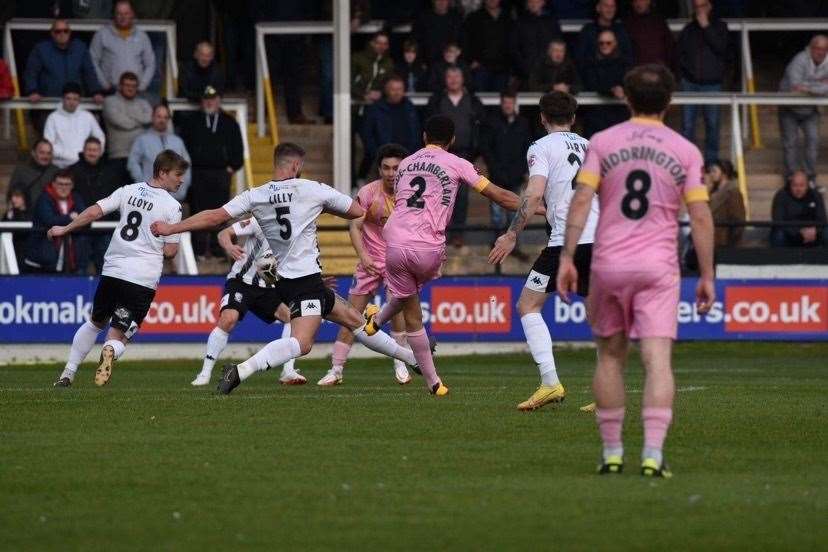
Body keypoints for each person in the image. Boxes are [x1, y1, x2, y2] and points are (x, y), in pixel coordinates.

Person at [150, 143, 423, 395]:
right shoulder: (311, 189)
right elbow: (355, 211)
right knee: (302, 344)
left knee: (357, 321)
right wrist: (322, 207)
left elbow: (215, 217)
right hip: (304, 280)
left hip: (288, 280)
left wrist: (172, 228)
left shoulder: (255, 195)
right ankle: (241, 370)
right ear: (295, 166)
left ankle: (414, 359)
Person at [557, 64, 715, 477]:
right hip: (657, 267)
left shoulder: (604, 142)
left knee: (610, 358)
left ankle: (611, 452)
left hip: (609, 263)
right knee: (657, 360)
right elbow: (700, 216)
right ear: (671, 100)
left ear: (626, 98)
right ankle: (652, 454)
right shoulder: (685, 150)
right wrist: (708, 275)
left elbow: (580, 200)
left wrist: (568, 257)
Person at [362, 115, 535, 395]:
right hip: (429, 249)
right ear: (453, 140)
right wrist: (537, 207)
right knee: (411, 301)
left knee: (410, 307)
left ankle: (383, 327)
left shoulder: (406, 164)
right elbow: (500, 196)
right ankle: (432, 381)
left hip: (394, 242)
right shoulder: (458, 164)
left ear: (423, 136)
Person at [489, 90, 598, 410]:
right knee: (598, 317)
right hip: (601, 238)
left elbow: (534, 193)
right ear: (574, 118)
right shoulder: (592, 146)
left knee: (528, 305)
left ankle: (550, 383)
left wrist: (511, 236)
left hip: (567, 239)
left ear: (542, 118)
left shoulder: (540, 147)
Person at [49, 150, 189, 388]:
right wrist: (165, 234)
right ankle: (110, 349)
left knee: (95, 322)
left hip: (113, 269)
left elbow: (95, 211)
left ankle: (68, 373)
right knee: (120, 335)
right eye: (178, 174)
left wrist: (65, 228)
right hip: (142, 278)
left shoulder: (128, 191)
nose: (181, 180)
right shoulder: (172, 206)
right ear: (163, 172)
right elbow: (170, 252)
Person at [319, 144, 415, 387]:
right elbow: (355, 225)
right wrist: (363, 256)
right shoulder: (368, 192)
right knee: (349, 314)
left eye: (396, 168)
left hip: (397, 263)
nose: (391, 173)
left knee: (398, 312)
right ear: (379, 168)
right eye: (386, 168)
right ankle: (336, 369)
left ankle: (400, 362)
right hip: (370, 262)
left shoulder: (412, 194)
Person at [190, 218, 306, 387]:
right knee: (228, 319)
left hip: (267, 287)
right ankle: (205, 373)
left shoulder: (296, 231)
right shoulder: (259, 220)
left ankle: (287, 371)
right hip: (241, 282)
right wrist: (229, 247)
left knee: (292, 317)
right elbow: (224, 233)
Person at [178, 85, 244, 258]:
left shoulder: (229, 122)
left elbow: (238, 149)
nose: (209, 102)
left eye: (213, 99)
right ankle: (198, 250)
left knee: (222, 213)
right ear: (201, 101)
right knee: (197, 211)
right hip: (197, 173)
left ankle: (219, 249)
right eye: (206, 99)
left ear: (219, 100)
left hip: (221, 173)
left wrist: (231, 167)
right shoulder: (191, 122)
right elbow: (183, 148)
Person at [426, 67, 486, 247]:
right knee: (438, 194)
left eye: (456, 76)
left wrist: (476, 151)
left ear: (463, 79)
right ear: (445, 79)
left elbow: (481, 129)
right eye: (449, 76)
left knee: (461, 196)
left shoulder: (474, 101)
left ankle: (458, 233)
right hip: (439, 153)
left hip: (464, 154)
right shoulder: (436, 101)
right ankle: (439, 232)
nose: (453, 80)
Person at [677, 0, 729, 163]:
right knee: (687, 125)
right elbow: (680, 54)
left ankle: (711, 163)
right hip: (690, 82)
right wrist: (684, 75)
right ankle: (687, 162)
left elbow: (722, 49)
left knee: (712, 124)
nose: (699, 9)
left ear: (710, 6)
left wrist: (706, 27)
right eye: (696, 6)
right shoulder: (688, 29)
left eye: (703, 5)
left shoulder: (721, 27)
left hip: (712, 83)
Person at [481, 91, 532, 255]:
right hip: (497, 177)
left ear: (515, 103)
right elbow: (486, 150)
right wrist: (494, 170)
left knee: (515, 214)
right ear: (501, 104)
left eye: (510, 102)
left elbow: (528, 150)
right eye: (505, 102)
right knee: (496, 215)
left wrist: (523, 171)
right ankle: (496, 244)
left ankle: (514, 247)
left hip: (516, 177)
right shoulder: (492, 123)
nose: (508, 105)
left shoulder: (523, 123)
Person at [778, 35, 828, 185]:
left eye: (825, 49)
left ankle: (809, 177)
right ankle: (791, 178)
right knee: (790, 144)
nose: (821, 52)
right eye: (818, 48)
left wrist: (807, 87)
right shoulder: (799, 60)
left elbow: (802, 87)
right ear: (810, 48)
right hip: (789, 108)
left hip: (810, 109)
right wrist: (821, 85)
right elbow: (795, 86)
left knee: (813, 141)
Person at [69, 137, 123, 273]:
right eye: (89, 150)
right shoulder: (73, 170)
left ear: (100, 152)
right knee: (79, 268)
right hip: (82, 228)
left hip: (104, 228)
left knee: (106, 269)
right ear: (83, 151)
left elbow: (116, 196)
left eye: (95, 150)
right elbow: (70, 197)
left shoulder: (110, 171)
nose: (92, 153)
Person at [22, 19, 103, 105]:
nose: (62, 34)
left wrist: (96, 92)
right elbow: (31, 73)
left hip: (75, 103)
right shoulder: (41, 49)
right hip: (48, 103)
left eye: (66, 31)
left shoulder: (80, 48)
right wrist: (32, 91)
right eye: (58, 31)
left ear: (70, 33)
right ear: (52, 33)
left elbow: (89, 72)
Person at [23, 170, 88, 274]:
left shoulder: (76, 197)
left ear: (72, 185)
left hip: (72, 254)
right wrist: (71, 217)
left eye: (67, 184)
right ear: (53, 184)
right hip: (44, 257)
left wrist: (74, 219)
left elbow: (85, 217)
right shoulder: (44, 198)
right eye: (60, 184)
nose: (63, 187)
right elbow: (49, 220)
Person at [89, 0, 156, 95]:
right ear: (114, 15)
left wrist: (142, 86)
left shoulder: (142, 36)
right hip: (111, 92)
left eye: (126, 13)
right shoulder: (102, 34)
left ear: (132, 14)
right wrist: (104, 84)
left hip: (136, 94)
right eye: (119, 14)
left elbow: (150, 64)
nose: (123, 17)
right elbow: (92, 61)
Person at [128, 104, 192, 201]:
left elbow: (187, 165)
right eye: (159, 116)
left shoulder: (177, 141)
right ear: (152, 117)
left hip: (174, 197)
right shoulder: (142, 140)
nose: (162, 120)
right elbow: (132, 163)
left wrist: (182, 189)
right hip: (149, 197)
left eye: (165, 117)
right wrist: (143, 184)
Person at [360, 76, 422, 170]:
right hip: (384, 160)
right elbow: (367, 134)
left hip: (408, 159)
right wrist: (377, 154)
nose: (397, 92)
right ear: (386, 90)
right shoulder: (376, 109)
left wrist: (415, 154)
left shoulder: (410, 108)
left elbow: (417, 131)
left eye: (399, 89)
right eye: (393, 89)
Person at [43, 82, 106, 168]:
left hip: (84, 165)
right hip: (60, 166)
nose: (71, 102)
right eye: (68, 98)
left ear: (79, 100)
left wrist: (95, 153)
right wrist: (72, 156)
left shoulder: (87, 116)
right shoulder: (53, 117)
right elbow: (48, 144)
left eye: (75, 99)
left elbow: (100, 137)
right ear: (63, 99)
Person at [102, 72, 153, 178]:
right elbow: (123, 123)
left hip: (142, 157)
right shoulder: (110, 101)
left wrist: (129, 116)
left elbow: (150, 119)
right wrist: (141, 122)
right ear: (120, 86)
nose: (130, 89)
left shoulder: (143, 103)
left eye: (134, 86)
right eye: (127, 85)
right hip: (120, 156)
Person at [581, 30, 631, 137]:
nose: (605, 46)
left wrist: (622, 90)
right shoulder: (590, 63)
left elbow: (630, 83)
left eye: (608, 43)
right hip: (595, 117)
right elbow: (590, 84)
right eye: (601, 43)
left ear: (615, 43)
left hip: (619, 117)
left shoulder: (625, 63)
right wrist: (612, 90)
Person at [510, 0, 563, 88]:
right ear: (527, 3)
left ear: (543, 2)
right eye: (530, 1)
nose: (534, 3)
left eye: (537, 1)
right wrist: (524, 68)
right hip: (526, 74)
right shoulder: (519, 22)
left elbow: (559, 45)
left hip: (549, 72)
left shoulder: (552, 22)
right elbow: (513, 48)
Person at [463, 0, 513, 92]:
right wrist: (470, 60)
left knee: (500, 101)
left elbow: (513, 42)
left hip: (503, 67)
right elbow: (465, 41)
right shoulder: (474, 17)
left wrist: (512, 65)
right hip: (481, 67)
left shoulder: (508, 17)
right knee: (479, 99)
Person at [770, 170, 827, 247]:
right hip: (789, 233)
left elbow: (822, 218)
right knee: (779, 234)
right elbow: (778, 220)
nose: (798, 189)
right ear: (790, 185)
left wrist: (815, 230)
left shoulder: (816, 195)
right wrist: (799, 232)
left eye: (801, 185)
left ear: (807, 186)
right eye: (795, 185)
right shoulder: (781, 195)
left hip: (812, 232)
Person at [575, 0, 634, 70]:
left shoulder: (621, 30)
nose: (610, 9)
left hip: (617, 77)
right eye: (606, 6)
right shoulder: (588, 31)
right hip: (593, 77)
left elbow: (628, 58)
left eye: (612, 6)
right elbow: (581, 60)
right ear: (598, 8)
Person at [8, 139, 59, 209]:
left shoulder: (56, 171)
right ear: (33, 153)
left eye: (48, 153)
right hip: (26, 213)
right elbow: (11, 193)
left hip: (49, 214)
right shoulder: (21, 171)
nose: (45, 156)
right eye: (42, 152)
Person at [623, 0, 675, 68]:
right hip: (638, 73)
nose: (638, 4)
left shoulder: (659, 22)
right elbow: (625, 55)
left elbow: (670, 50)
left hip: (660, 71)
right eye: (635, 1)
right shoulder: (627, 25)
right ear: (632, 3)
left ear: (649, 1)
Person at [706, 160, 745, 247]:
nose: (711, 174)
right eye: (710, 171)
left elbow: (738, 218)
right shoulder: (712, 191)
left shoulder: (732, 192)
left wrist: (732, 241)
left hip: (724, 241)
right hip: (712, 240)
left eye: (714, 171)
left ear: (724, 173)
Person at [351, 31, 394, 106]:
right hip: (354, 105)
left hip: (377, 108)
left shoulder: (388, 63)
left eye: (385, 44)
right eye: (378, 43)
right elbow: (347, 82)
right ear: (372, 43)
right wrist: (363, 95)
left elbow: (389, 83)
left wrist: (381, 93)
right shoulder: (357, 58)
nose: (381, 46)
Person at [4, 189, 31, 269]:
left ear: (24, 198)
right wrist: (9, 216)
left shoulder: (31, 213)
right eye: (12, 196)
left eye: (17, 196)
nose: (13, 199)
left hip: (27, 252)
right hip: (12, 251)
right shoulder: (10, 213)